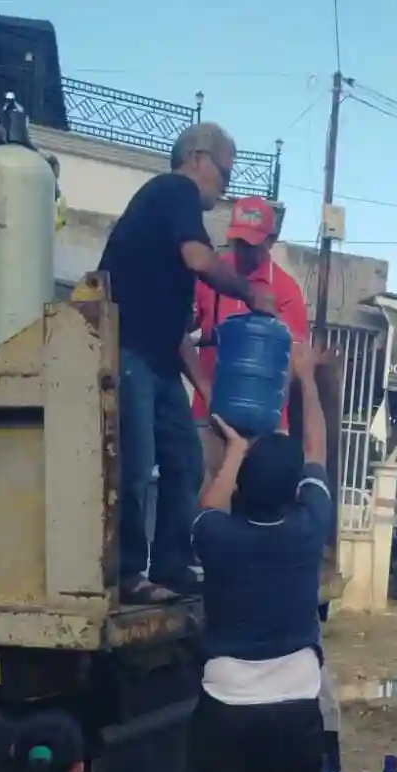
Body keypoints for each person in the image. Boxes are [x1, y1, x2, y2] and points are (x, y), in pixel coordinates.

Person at [98, 121, 276, 604]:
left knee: (185, 458)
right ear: (196, 158)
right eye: (224, 172)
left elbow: (177, 333)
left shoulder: (165, 226)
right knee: (134, 467)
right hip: (127, 352)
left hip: (157, 360)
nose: (225, 186)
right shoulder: (173, 190)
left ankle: (173, 565)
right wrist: (250, 293)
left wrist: (207, 393)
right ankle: (129, 574)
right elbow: (201, 260)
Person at [186, 343, 331, 772]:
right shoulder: (308, 527)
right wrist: (306, 380)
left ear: (244, 484)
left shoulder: (218, 538)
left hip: (226, 703)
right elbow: (315, 446)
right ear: (297, 489)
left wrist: (236, 452)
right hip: (296, 697)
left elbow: (206, 507)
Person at [191, 196, 310, 484]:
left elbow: (296, 358)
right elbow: (180, 335)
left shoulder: (285, 290)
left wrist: (267, 405)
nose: (244, 251)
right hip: (209, 419)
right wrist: (208, 393)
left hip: (265, 427)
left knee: (259, 512)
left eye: (252, 244)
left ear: (271, 241)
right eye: (239, 241)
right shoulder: (211, 277)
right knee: (206, 507)